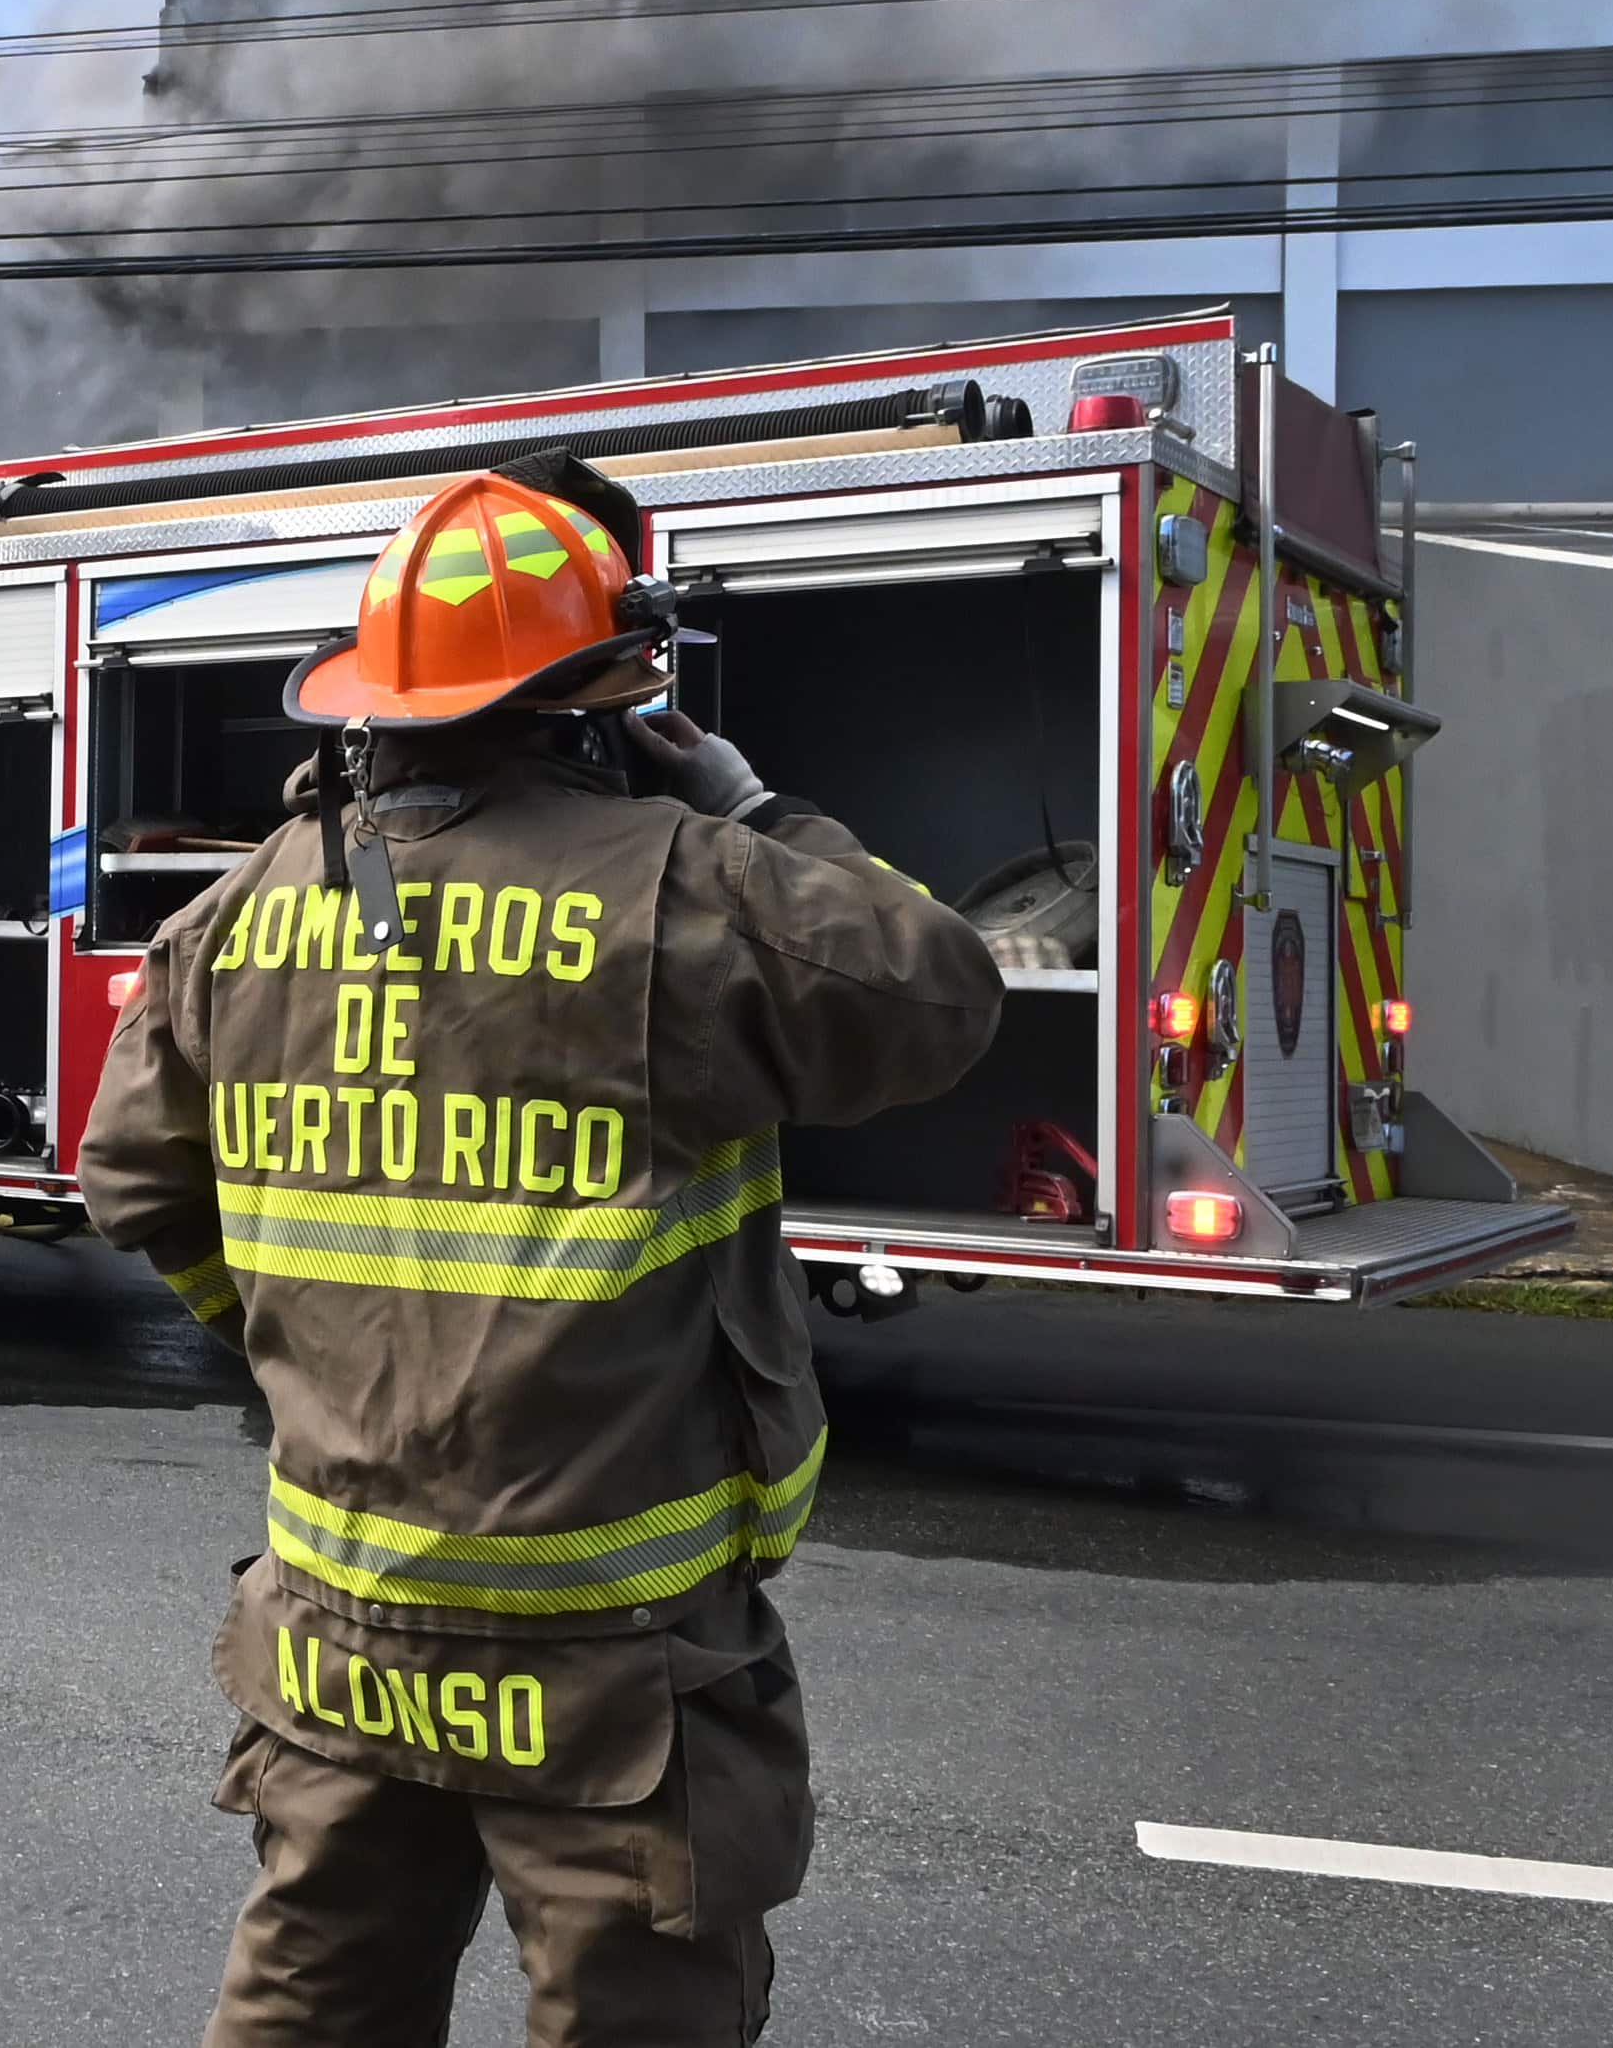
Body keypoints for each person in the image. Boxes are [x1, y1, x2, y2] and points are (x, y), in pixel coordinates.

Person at [80, 453, 1002, 2048]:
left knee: (312, 2006)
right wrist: (746, 796)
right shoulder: (692, 892)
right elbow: (938, 988)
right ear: (607, 704)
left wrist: (309, 1336)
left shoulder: (235, 917)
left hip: (347, 1634)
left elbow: (137, 1184)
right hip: (613, 1660)